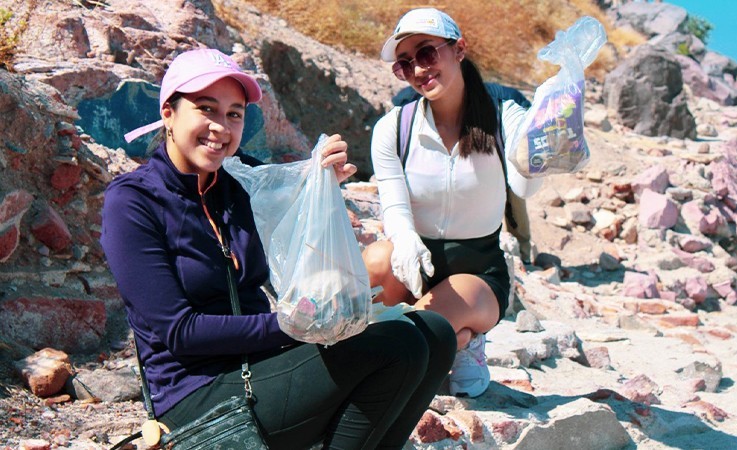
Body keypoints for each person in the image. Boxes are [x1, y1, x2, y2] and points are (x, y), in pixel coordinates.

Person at [101, 48, 457, 450]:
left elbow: (290, 214)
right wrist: (292, 327)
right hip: (196, 396)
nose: (221, 127)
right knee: (398, 346)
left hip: (261, 365)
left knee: (435, 331)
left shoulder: (238, 180)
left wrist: (320, 186)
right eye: (206, 109)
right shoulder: (132, 202)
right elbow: (180, 331)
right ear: (169, 112)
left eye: (234, 114)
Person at [362, 8, 543, 398]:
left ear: (459, 49)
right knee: (368, 272)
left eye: (427, 53)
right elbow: (394, 205)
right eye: (405, 64)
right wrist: (406, 241)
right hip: (416, 262)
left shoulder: (502, 115)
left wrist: (544, 150)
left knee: (406, 338)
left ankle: (462, 338)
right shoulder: (394, 127)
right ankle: (457, 339)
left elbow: (525, 189)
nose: (419, 70)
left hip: (476, 273)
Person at [392, 83, 536, 264]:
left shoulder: (506, 106)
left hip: (506, 142)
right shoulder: (417, 102)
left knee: (514, 199)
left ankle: (524, 253)